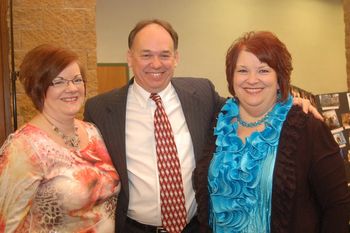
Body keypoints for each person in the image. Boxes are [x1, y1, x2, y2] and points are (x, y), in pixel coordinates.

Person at [84, 19, 324, 233]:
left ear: (176, 58)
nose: (156, 64)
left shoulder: (201, 94)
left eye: (165, 55)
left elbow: (249, 102)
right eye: (146, 55)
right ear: (129, 57)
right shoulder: (101, 110)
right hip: (135, 228)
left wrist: (288, 101)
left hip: (196, 226)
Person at [194, 31, 350, 233]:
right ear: (231, 77)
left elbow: (337, 205)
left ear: (279, 79)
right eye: (242, 70)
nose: (252, 79)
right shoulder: (218, 122)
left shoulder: (307, 127)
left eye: (263, 70)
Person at [0, 44, 120, 232]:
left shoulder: (93, 132)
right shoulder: (23, 147)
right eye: (59, 81)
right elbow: (7, 225)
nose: (71, 88)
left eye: (77, 80)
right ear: (38, 87)